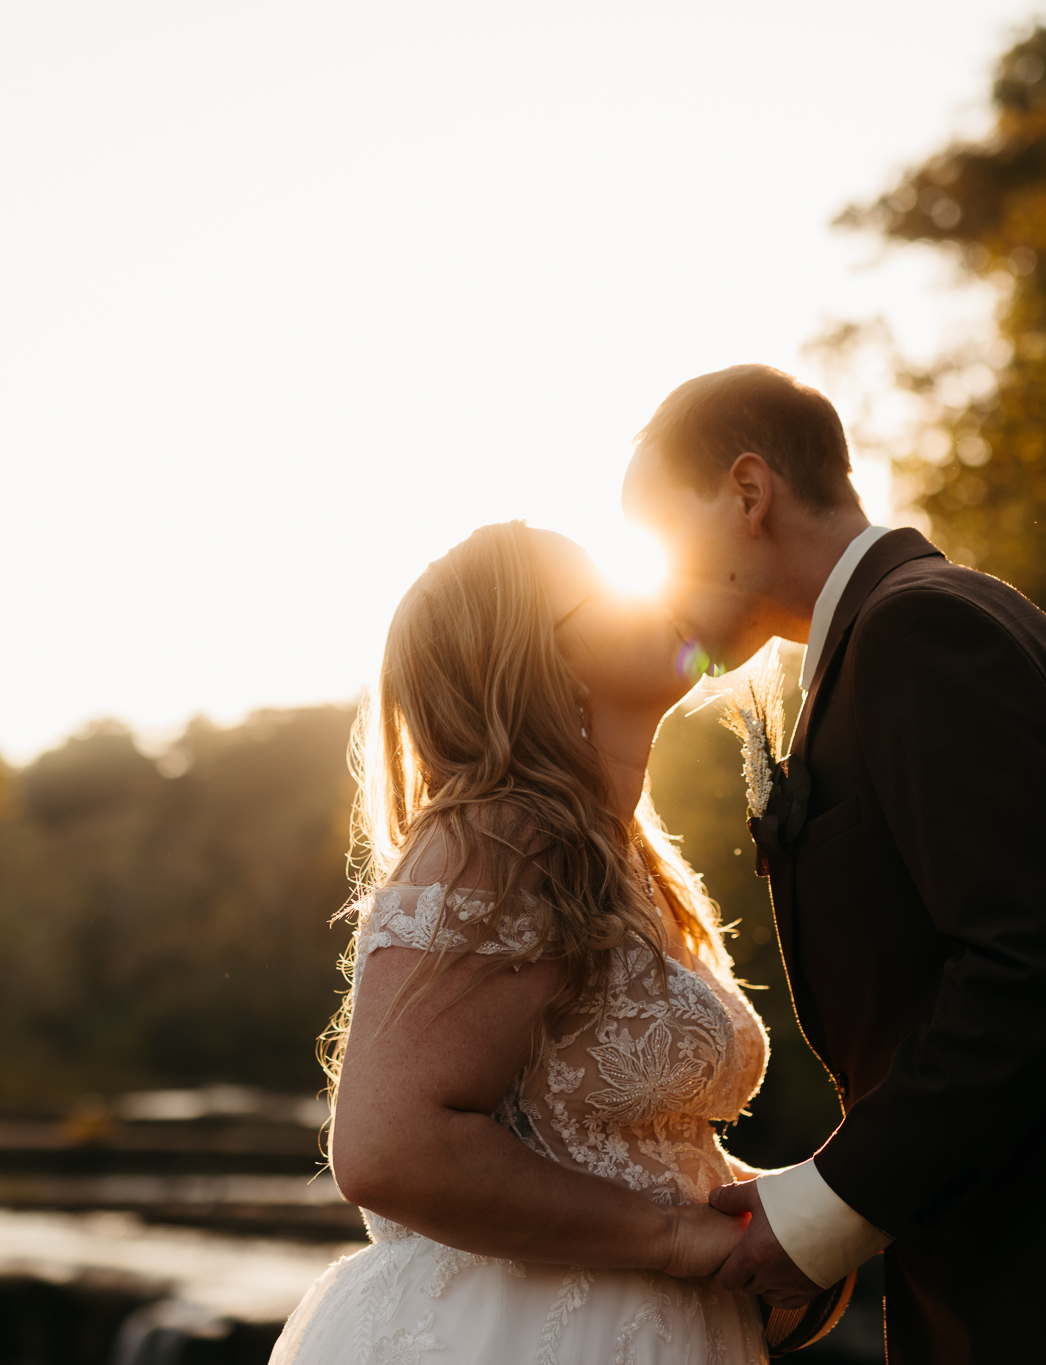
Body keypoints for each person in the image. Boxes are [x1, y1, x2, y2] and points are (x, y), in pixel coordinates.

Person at [624, 365, 1046, 1363]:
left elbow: (1038, 956)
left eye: (654, 538)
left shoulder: (920, 634)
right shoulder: (908, 631)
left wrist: (827, 1210)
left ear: (748, 493)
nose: (651, 581)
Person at [268, 522, 773, 1365]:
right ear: (539, 655)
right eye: (606, 589)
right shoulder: (505, 835)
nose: (650, 601)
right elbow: (389, 1148)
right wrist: (680, 1240)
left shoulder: (627, 857)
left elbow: (622, 1138)